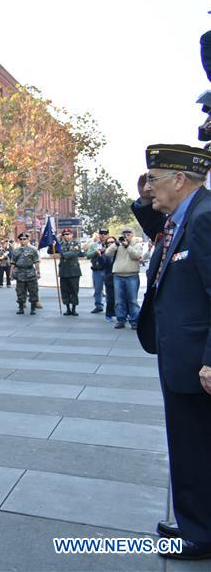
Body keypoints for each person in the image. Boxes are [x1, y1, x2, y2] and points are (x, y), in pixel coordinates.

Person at [131, 144, 211, 561]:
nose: (150, 189)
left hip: (197, 359)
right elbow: (159, 238)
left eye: (156, 181)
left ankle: (201, 534)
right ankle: (195, 518)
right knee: (190, 443)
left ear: (180, 180)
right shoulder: (186, 216)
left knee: (197, 445)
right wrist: (143, 199)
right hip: (181, 354)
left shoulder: (204, 217)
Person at [105, 227, 142, 329]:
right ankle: (120, 320)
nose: (126, 236)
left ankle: (134, 321)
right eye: (124, 234)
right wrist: (116, 244)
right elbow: (108, 253)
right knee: (119, 300)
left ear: (132, 235)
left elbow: (136, 255)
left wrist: (128, 246)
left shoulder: (137, 245)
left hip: (132, 275)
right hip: (118, 275)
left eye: (128, 234)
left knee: (132, 300)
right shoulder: (118, 245)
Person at [10, 232, 40, 315]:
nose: (23, 240)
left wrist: (38, 272)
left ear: (28, 240)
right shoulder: (16, 251)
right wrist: (11, 274)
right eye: (21, 239)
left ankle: (33, 308)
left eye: (25, 239)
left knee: (33, 291)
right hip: (20, 273)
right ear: (19, 240)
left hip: (30, 272)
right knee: (20, 291)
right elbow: (13, 263)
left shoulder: (33, 250)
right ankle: (21, 308)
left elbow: (36, 262)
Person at [57, 228, 82, 316]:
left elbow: (74, 252)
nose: (66, 236)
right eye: (64, 234)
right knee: (65, 290)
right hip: (63, 270)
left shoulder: (76, 243)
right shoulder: (60, 244)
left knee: (74, 290)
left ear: (72, 235)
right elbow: (51, 251)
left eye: (68, 234)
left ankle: (74, 308)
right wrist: (52, 243)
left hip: (73, 271)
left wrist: (63, 254)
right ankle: (67, 308)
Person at [84, 229, 110, 313]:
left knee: (110, 290)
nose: (103, 235)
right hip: (97, 270)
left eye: (105, 233)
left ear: (108, 234)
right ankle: (98, 306)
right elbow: (88, 255)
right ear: (99, 235)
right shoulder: (94, 245)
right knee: (98, 290)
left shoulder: (111, 244)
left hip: (108, 270)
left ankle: (110, 306)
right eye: (101, 233)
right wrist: (96, 252)